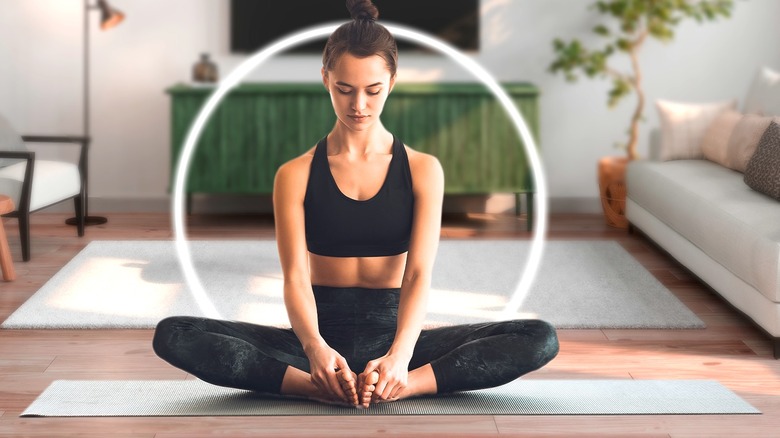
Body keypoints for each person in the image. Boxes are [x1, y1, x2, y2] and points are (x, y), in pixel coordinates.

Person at [153, 0, 559, 409]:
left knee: (539, 337)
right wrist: (315, 350)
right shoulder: (294, 174)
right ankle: (314, 384)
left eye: (373, 90)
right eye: (344, 89)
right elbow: (295, 277)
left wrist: (400, 357)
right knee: (175, 332)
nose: (358, 105)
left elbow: (418, 274)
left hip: (397, 336)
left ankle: (405, 384)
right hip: (314, 338)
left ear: (393, 82)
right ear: (325, 79)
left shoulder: (423, 170)